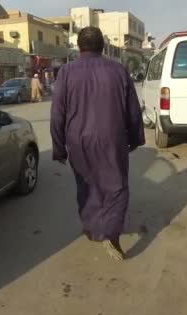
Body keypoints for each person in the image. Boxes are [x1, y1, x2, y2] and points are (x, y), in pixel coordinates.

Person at [50, 27, 145, 261]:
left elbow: (57, 114)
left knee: (87, 186)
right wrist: (135, 138)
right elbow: (132, 110)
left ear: (80, 47)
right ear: (102, 46)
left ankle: (92, 227)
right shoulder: (118, 70)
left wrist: (58, 147)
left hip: (78, 141)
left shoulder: (66, 72)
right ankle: (111, 233)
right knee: (116, 187)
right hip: (112, 139)